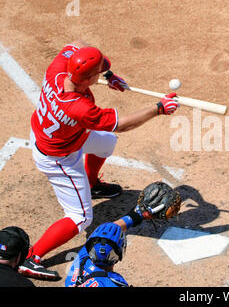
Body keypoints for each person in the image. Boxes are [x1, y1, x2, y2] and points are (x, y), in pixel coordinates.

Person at [19, 40, 180, 280]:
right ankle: (31, 257)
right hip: (59, 157)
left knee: (106, 143)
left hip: (63, 133)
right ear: (87, 79)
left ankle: (92, 184)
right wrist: (158, 108)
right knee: (80, 217)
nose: (101, 73)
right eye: (97, 73)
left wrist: (109, 74)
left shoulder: (58, 69)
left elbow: (77, 44)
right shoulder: (79, 108)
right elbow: (123, 124)